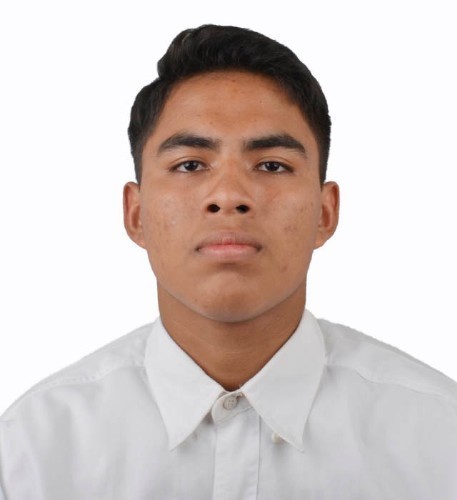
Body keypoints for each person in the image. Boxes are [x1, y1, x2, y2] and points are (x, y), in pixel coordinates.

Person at [0, 24, 456, 500]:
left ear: (325, 213)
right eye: (190, 164)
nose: (229, 195)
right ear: (136, 214)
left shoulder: (439, 439)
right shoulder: (31, 453)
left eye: (272, 165)